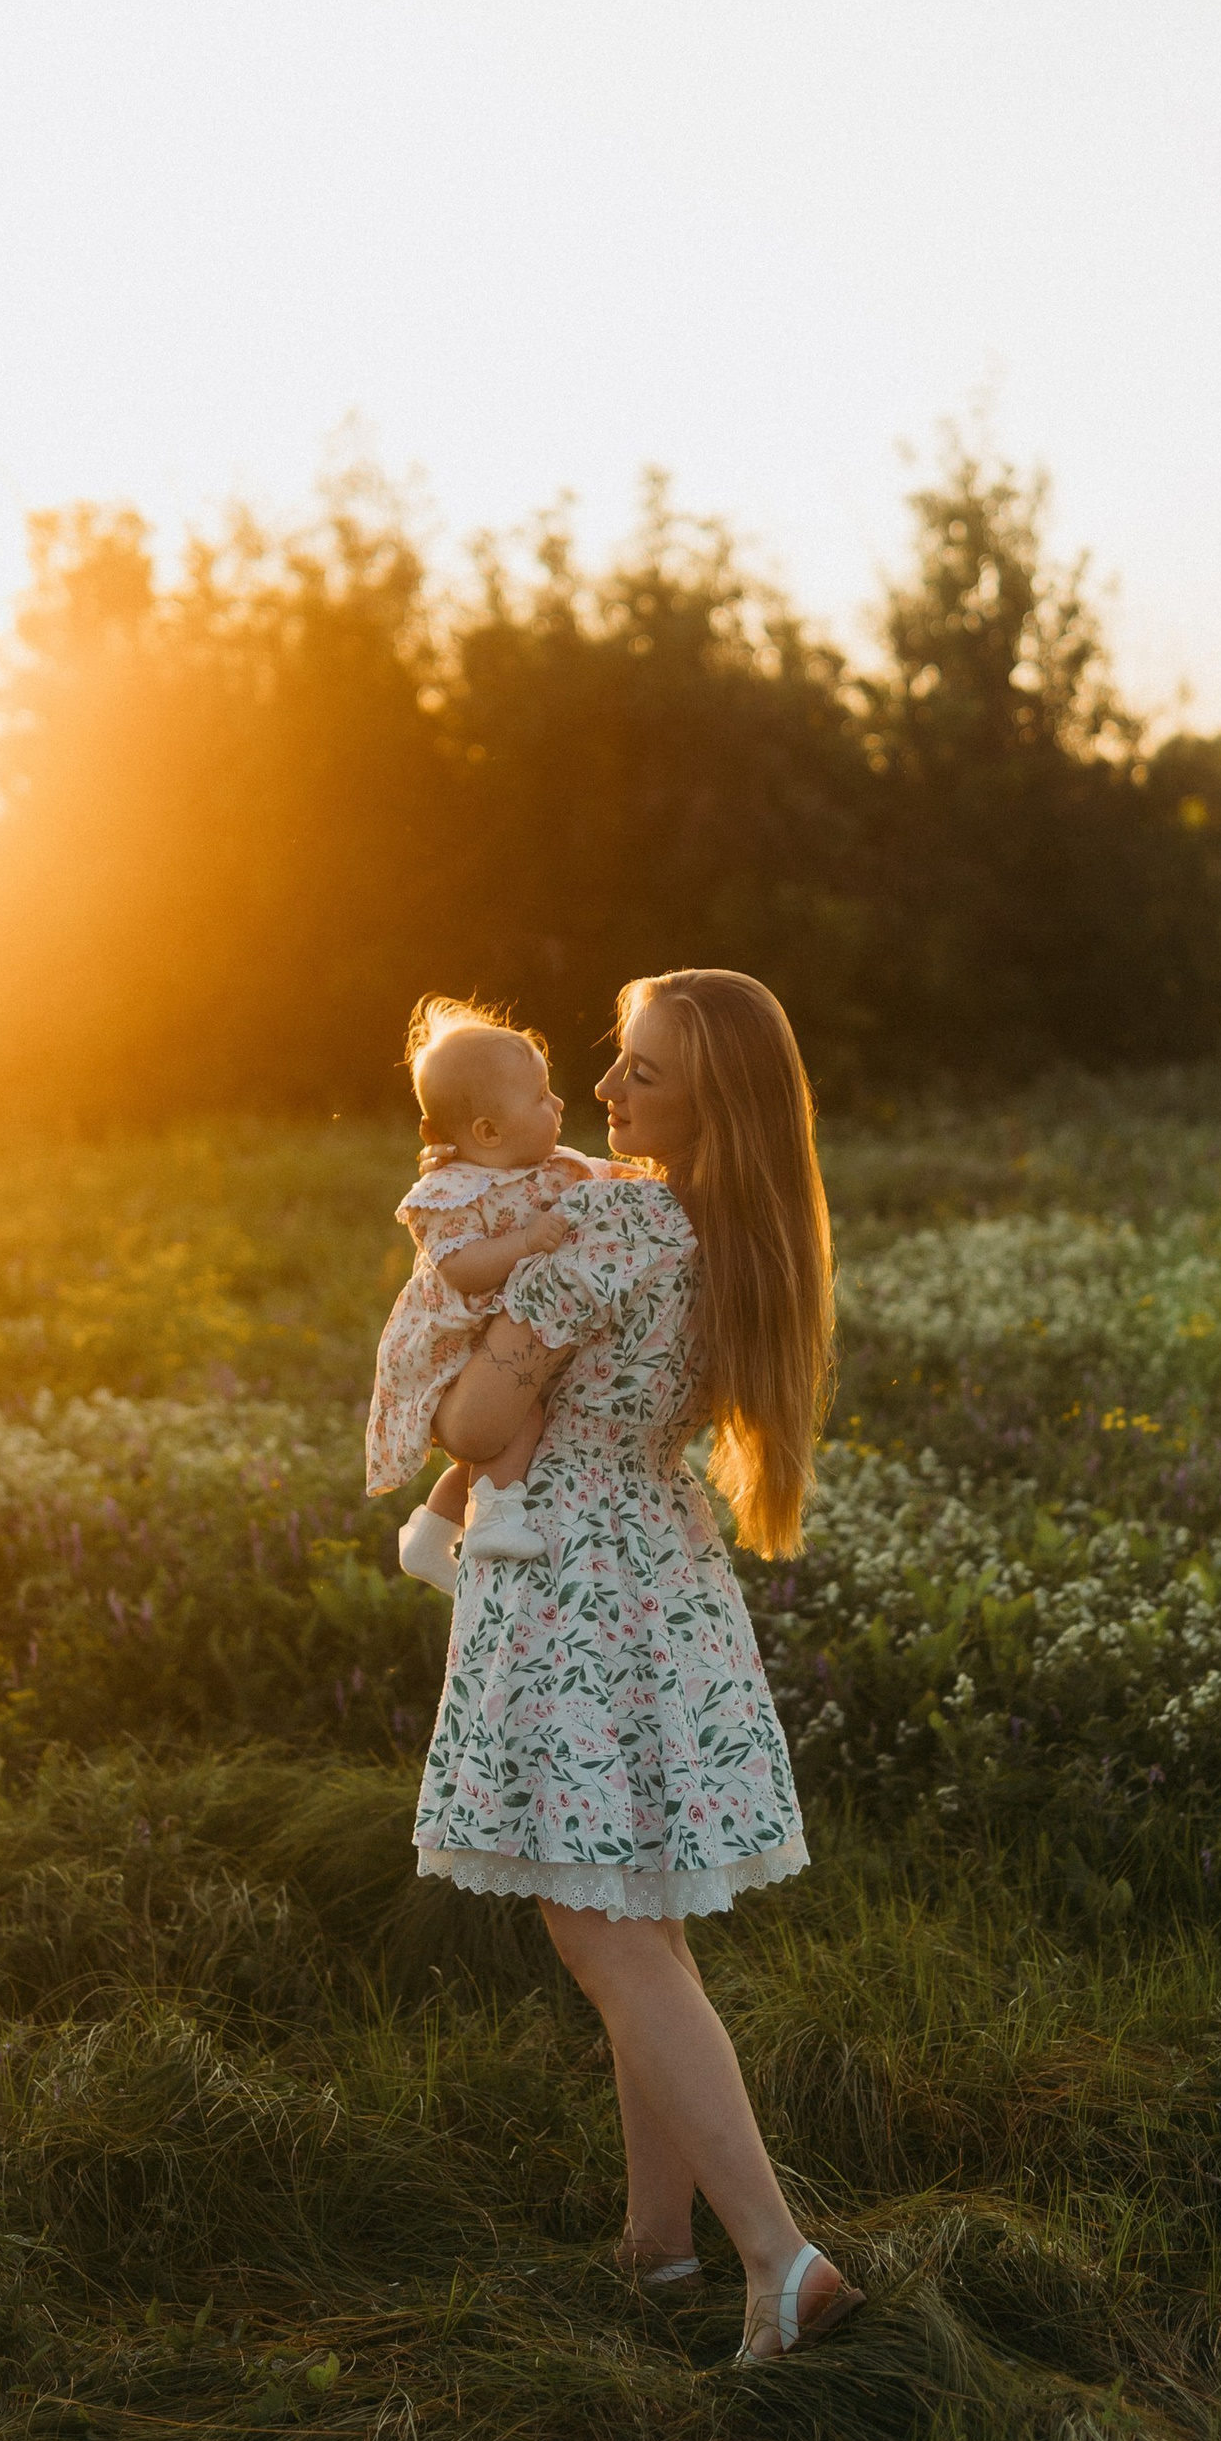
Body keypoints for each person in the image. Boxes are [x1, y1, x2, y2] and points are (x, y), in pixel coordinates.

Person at [412, 965, 862, 2367]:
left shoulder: (612, 1233)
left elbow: (482, 1430)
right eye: (613, 1061)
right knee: (641, 1923)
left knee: (601, 1935)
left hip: (573, 1594)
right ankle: (655, 2246)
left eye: (642, 1073)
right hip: (657, 1575)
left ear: (705, 1109)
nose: (604, 1090)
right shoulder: (716, 1223)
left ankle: (778, 2263)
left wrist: (450, 1354)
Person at [365, 1001, 602, 1586]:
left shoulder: (550, 1166)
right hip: (459, 1338)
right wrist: (525, 1240)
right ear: (488, 1132)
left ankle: (430, 1536)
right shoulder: (449, 1192)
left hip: (499, 1333)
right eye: (541, 1096)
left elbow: (610, 1176)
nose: (559, 1104)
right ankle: (493, 1518)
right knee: (513, 1421)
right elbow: (463, 1268)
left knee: (509, 1435)